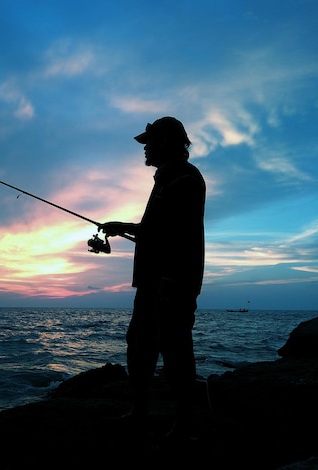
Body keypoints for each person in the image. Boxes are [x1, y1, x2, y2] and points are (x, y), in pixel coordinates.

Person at [100, 116, 205, 438]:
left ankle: (186, 422)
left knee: (174, 349)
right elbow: (158, 230)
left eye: (149, 142)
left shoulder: (184, 179)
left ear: (166, 142)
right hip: (152, 281)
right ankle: (141, 410)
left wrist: (129, 229)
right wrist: (125, 228)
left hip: (172, 282)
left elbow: (176, 233)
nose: (144, 149)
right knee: (140, 344)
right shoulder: (165, 178)